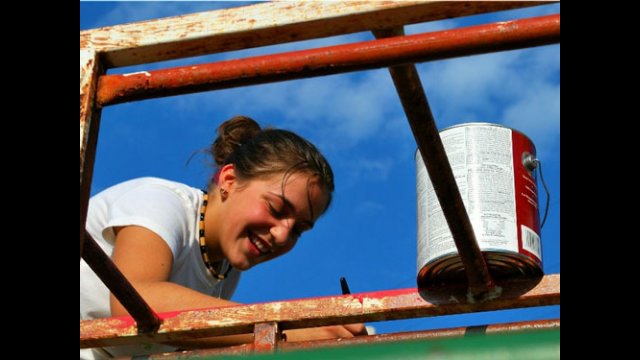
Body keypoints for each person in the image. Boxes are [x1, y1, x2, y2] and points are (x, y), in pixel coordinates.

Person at [80, 116, 365, 359]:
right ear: (229, 180)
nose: (282, 235)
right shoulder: (161, 202)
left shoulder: (226, 272)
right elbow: (135, 301)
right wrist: (291, 328)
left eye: (298, 230)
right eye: (276, 208)